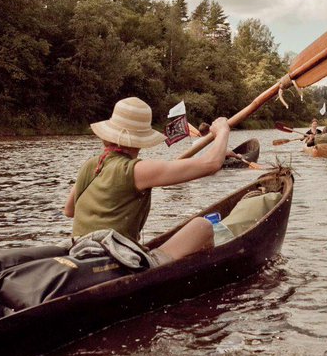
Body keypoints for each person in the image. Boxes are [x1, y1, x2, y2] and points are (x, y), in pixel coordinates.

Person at [63, 97, 230, 265]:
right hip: (117, 260)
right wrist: (223, 130)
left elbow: (69, 211)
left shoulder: (91, 164)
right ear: (139, 141)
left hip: (80, 253)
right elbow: (212, 163)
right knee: (203, 226)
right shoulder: (137, 170)